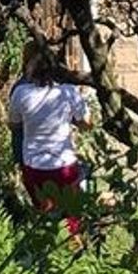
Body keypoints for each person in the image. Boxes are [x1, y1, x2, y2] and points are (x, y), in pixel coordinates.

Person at [6, 45, 92, 235]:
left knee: (45, 221)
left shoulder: (20, 93)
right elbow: (86, 124)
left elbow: (13, 124)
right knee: (71, 221)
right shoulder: (69, 92)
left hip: (34, 167)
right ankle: (76, 253)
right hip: (64, 167)